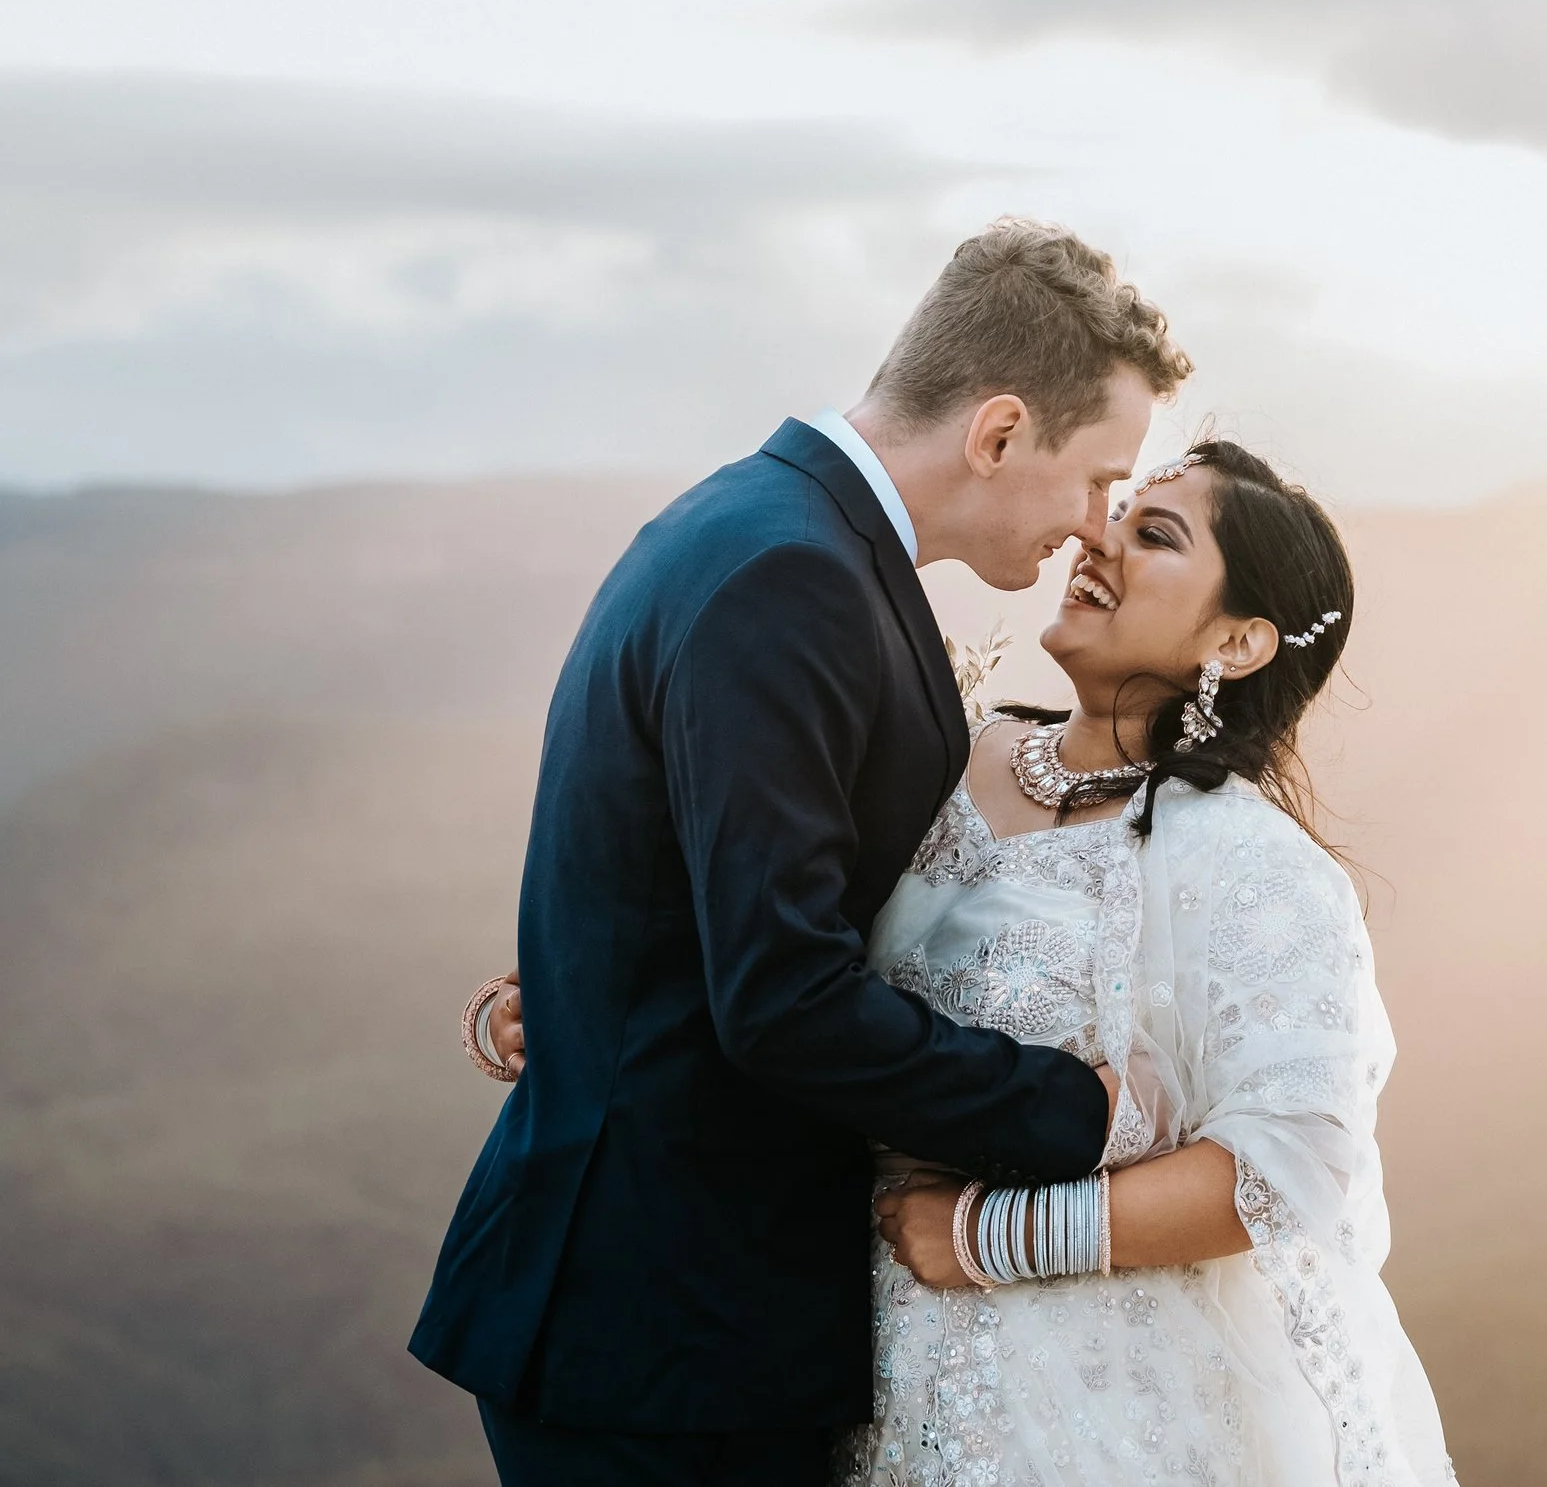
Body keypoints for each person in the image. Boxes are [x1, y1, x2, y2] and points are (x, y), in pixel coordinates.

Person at [480, 440, 1457, 1485]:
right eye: (1113, 513)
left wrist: (998, 1234)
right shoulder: (936, 754)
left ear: (1240, 638)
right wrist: (587, 988)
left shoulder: (1258, 867)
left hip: (1076, 1412)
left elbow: (1288, 1172)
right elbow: (779, 950)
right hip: (805, 1363)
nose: (1097, 541)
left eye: (1154, 535)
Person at [411, 219, 1194, 1487]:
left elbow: (681, 882)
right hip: (666, 1332)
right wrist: (1075, 1116)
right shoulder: (793, 575)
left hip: (671, 1314)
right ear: (998, 433)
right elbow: (780, 996)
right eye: (1098, 473)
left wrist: (584, 993)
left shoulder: (761, 523)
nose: (1096, 522)